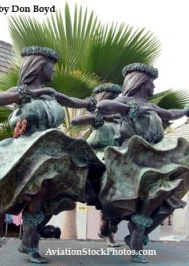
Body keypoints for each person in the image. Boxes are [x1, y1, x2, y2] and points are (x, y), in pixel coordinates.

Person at [0, 46, 105, 263]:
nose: (54, 71)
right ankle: (30, 245)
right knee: (37, 196)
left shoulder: (51, 94)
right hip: (30, 153)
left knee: (49, 198)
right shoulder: (21, 93)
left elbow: (73, 102)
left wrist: (90, 103)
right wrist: (30, 93)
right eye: (52, 66)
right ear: (39, 67)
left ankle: (29, 240)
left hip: (53, 153)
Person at [97, 63, 189, 263]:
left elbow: (170, 114)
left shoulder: (151, 106)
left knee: (166, 196)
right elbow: (102, 106)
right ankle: (127, 234)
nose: (153, 88)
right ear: (140, 83)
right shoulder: (126, 100)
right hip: (130, 158)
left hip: (154, 157)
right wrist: (127, 108)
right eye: (150, 84)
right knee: (144, 196)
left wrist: (188, 111)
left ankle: (136, 233)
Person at [71, 83, 122, 247]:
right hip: (97, 158)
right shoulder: (97, 119)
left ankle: (108, 230)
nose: (115, 103)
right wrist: (101, 118)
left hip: (117, 158)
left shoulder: (121, 121)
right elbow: (76, 120)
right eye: (113, 99)